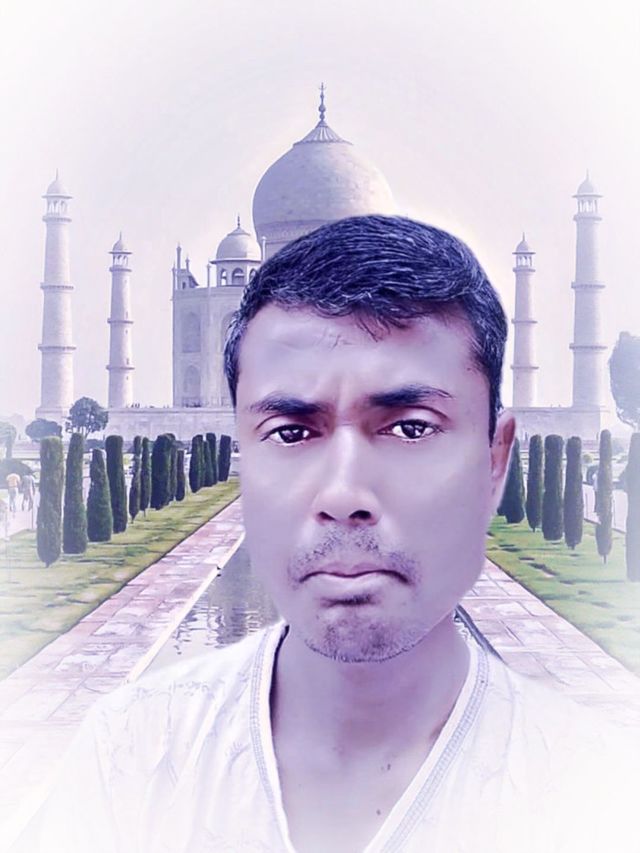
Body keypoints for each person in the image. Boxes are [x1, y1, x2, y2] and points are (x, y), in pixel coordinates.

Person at [18, 216, 639, 852]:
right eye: (291, 431)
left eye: (411, 427)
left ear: (495, 459)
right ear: (242, 451)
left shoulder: (601, 796)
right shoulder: (129, 759)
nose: (344, 494)